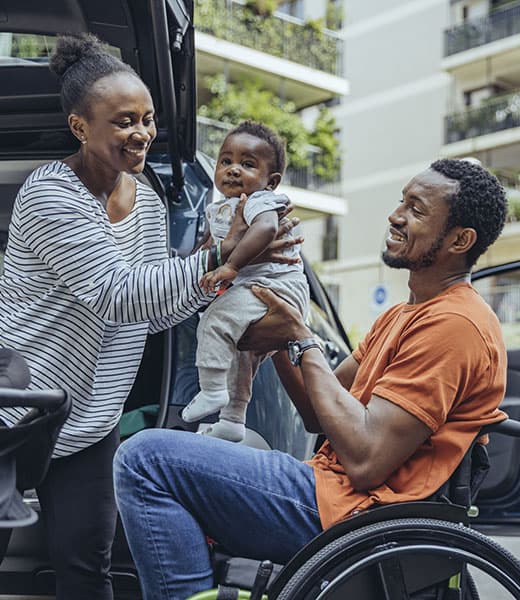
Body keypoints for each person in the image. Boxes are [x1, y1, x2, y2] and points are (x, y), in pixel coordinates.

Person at [114, 158, 509, 599]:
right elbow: (317, 414)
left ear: (460, 239)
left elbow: (365, 460)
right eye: (401, 202)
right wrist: (282, 332)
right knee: (220, 444)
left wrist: (300, 337)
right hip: (334, 494)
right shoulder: (404, 314)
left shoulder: (456, 325)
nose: (396, 216)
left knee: (145, 460)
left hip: (358, 515)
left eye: (417, 210)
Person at [0, 34, 300, 600]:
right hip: (17, 408)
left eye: (147, 118)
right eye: (122, 122)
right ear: (80, 127)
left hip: (91, 416)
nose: (140, 132)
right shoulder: (50, 194)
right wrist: (219, 256)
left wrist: (234, 273)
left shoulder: (148, 202)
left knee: (87, 568)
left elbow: (159, 304)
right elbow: (118, 294)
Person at [181, 121, 309, 442]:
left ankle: (211, 391)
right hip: (257, 289)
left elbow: (265, 230)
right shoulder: (220, 208)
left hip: (275, 289)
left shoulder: (260, 201)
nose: (233, 170)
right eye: (226, 161)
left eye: (247, 164)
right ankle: (232, 419)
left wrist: (231, 266)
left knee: (215, 319)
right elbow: (206, 250)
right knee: (240, 356)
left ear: (271, 181)